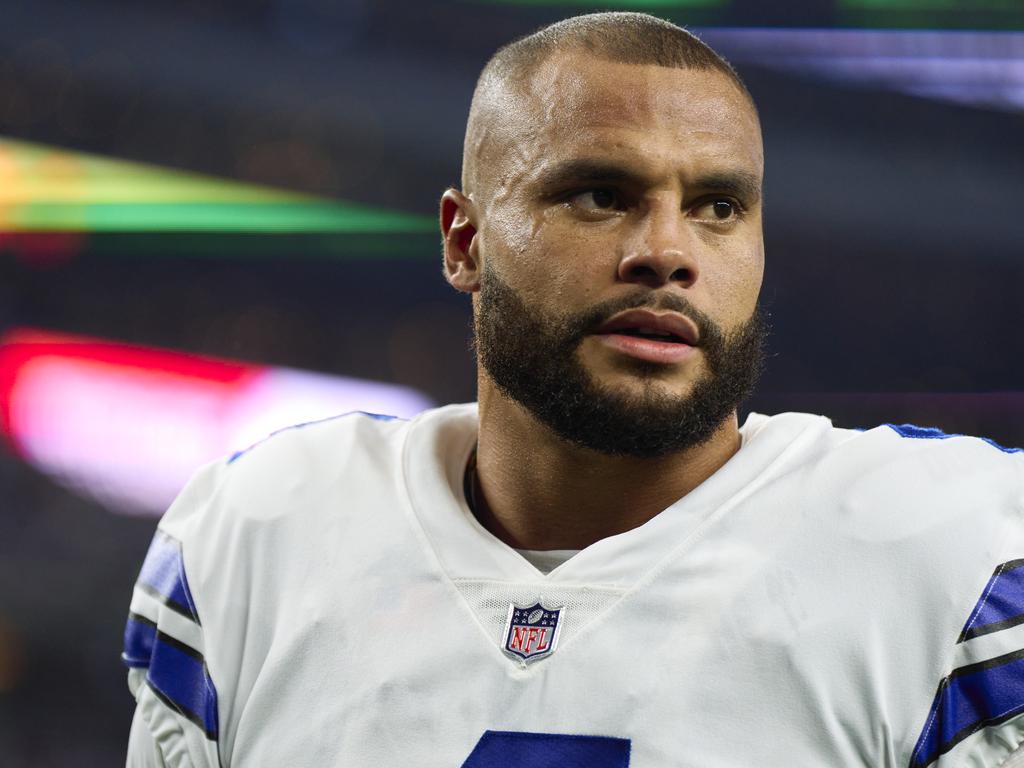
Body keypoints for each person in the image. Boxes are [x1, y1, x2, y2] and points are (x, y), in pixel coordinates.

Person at [123, 11, 1024, 768]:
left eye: (718, 206)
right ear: (464, 242)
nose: (667, 252)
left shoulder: (956, 560)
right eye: (599, 194)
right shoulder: (252, 536)